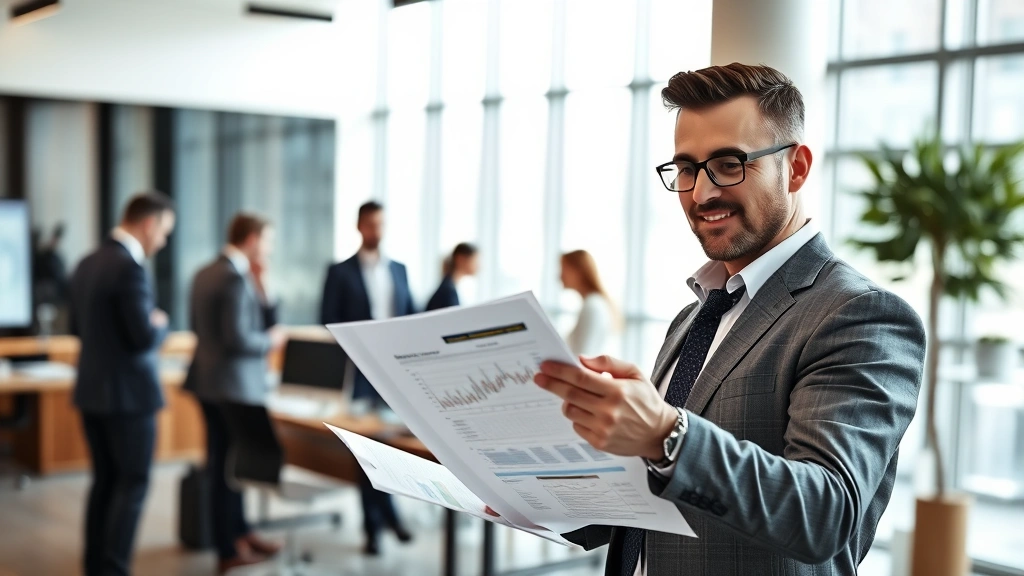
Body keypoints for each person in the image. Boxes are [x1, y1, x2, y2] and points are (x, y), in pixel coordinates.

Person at [531, 63, 926, 575]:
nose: (701, 193)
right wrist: (525, 491)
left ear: (796, 168)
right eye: (687, 169)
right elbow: (666, 494)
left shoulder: (859, 314)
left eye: (728, 163)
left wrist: (666, 434)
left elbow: (824, 512)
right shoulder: (694, 316)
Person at [69, 192, 176, 576]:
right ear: (148, 224)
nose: (162, 242)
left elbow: (76, 328)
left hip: (91, 393)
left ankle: (95, 567)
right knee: (131, 486)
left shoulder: (86, 262)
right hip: (129, 399)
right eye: (163, 232)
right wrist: (160, 324)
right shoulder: (130, 268)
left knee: (104, 483)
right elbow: (141, 337)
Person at [184, 213, 287, 574]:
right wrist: (270, 341)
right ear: (253, 239)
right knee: (227, 469)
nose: (269, 249)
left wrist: (264, 284)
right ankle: (228, 548)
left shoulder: (204, 272)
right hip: (232, 387)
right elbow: (238, 338)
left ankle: (241, 533)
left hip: (207, 382)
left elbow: (199, 328)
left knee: (226, 463)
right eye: (268, 241)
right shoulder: (233, 278)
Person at [320, 201, 416, 555]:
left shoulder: (400, 270)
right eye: (372, 224)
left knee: (388, 446)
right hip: (357, 376)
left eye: (381, 224)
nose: (377, 231)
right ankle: (376, 526)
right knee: (365, 448)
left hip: (393, 376)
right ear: (359, 226)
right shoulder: (340, 272)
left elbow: (411, 317)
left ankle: (387, 516)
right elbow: (327, 319)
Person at [560, 250, 616, 357]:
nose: (560, 276)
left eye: (564, 269)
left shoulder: (593, 306)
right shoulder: (593, 303)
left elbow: (584, 354)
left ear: (578, 271)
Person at [426, 243, 478, 311]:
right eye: (475, 260)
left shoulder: (449, 287)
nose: (478, 266)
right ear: (460, 258)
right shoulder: (448, 292)